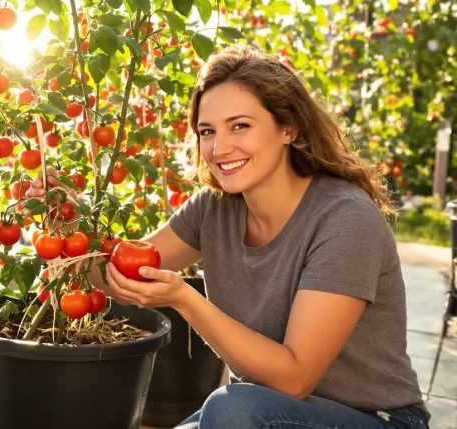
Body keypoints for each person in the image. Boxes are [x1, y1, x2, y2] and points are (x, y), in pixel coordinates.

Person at [26, 45, 429, 429]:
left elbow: (295, 379)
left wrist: (185, 299)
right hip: (260, 415)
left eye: (240, 126)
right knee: (232, 411)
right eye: (207, 131)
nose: (219, 148)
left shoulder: (344, 219)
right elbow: (117, 276)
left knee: (231, 407)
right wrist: (64, 224)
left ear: (288, 127)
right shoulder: (214, 208)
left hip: (374, 420)